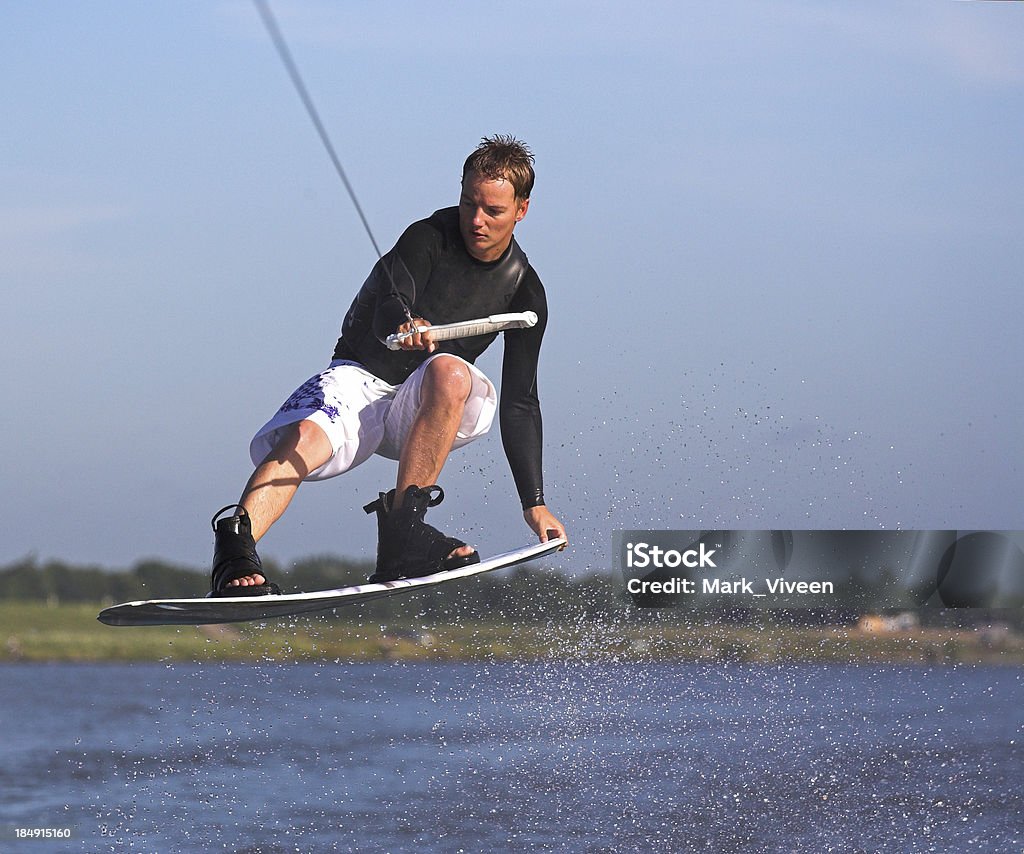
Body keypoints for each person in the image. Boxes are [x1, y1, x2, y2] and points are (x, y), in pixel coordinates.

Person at [209, 135, 567, 596]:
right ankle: (235, 551)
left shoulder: (525, 292)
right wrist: (405, 321)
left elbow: (521, 402)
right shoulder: (427, 238)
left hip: (422, 406)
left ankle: (403, 535)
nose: (476, 221)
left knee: (452, 371)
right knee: (304, 439)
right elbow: (385, 310)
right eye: (468, 203)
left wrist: (533, 504)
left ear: (522, 210)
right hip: (360, 376)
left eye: (493, 211)